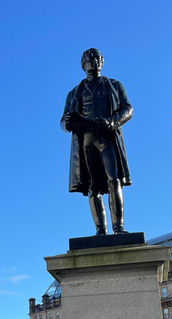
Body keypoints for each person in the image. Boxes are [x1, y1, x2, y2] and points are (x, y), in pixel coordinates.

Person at [61, 48, 133, 236]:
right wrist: (67, 123)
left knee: (114, 179)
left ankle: (118, 228)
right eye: (89, 59)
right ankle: (101, 231)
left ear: (102, 61)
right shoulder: (74, 93)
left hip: (107, 136)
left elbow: (127, 109)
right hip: (86, 140)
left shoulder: (115, 86)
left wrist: (111, 121)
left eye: (97, 58)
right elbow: (63, 121)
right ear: (83, 64)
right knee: (93, 185)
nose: (94, 62)